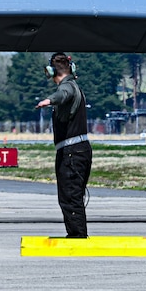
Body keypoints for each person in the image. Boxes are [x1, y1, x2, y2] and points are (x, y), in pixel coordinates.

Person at [35, 52, 91, 238]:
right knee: (72, 195)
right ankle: (76, 233)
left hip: (72, 153)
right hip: (75, 151)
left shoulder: (68, 87)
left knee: (70, 196)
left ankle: (77, 236)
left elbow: (63, 95)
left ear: (51, 72)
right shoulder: (75, 87)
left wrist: (49, 100)